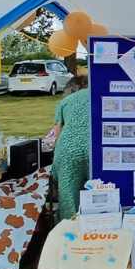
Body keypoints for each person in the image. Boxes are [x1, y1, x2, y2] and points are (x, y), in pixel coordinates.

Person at [51, 88, 90, 220]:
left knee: (68, 197)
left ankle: (68, 226)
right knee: (99, 191)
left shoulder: (65, 101)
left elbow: (57, 133)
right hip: (93, 147)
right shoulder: (100, 96)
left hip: (67, 149)